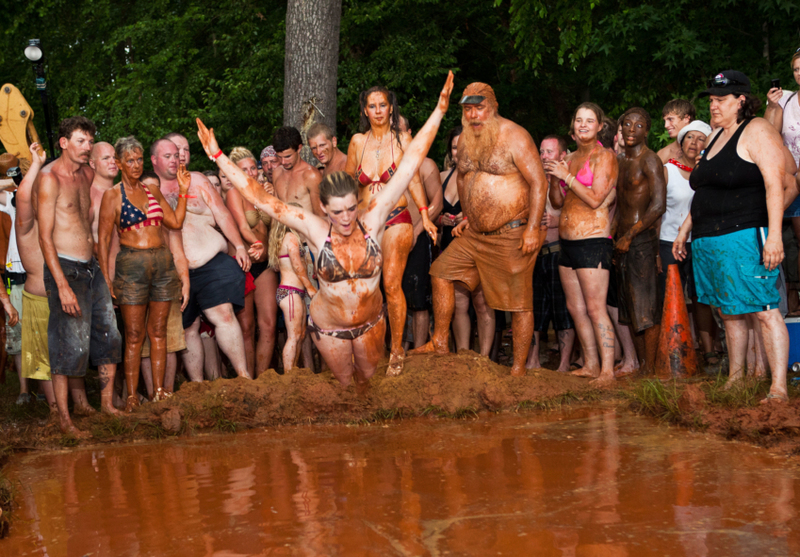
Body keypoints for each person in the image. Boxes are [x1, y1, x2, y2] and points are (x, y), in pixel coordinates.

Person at [198, 71, 454, 386]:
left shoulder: (372, 219)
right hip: (330, 328)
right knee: (346, 386)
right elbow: (262, 199)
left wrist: (440, 111)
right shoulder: (316, 229)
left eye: (350, 209)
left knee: (368, 387)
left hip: (370, 324)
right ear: (324, 209)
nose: (346, 218)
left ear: (358, 205)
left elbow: (413, 158)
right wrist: (218, 156)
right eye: (337, 212)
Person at [411, 82, 548, 377]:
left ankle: (518, 368)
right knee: (441, 273)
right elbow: (463, 178)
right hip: (474, 234)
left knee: (519, 303)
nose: (473, 115)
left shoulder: (515, 135)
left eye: (479, 107)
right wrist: (470, 217)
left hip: (512, 232)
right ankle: (440, 342)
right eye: (467, 109)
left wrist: (533, 228)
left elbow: (539, 182)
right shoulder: (468, 140)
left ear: (493, 106)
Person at [673, 70, 789, 403]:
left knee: (764, 309)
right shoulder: (712, 137)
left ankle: (778, 387)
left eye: (720, 100)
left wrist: (775, 236)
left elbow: (774, 185)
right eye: (710, 100)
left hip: (745, 232)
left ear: (741, 100)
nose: (713, 106)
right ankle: (736, 379)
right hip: (709, 238)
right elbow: (702, 191)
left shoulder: (757, 130)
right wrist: (684, 231)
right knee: (729, 310)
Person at [35, 116, 123, 436]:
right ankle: (64, 421)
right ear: (63, 143)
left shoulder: (87, 174)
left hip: (92, 267)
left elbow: (90, 217)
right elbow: (44, 237)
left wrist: (104, 269)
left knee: (109, 335)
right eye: (81, 141)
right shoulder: (49, 179)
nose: (87, 147)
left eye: (89, 141)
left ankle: (107, 405)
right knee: (69, 345)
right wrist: (61, 286)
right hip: (66, 269)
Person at [345, 86, 437, 375]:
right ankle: (370, 349)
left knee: (391, 284)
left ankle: (397, 350)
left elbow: (413, 181)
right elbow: (347, 184)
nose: (377, 111)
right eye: (372, 106)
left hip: (398, 217)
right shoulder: (357, 142)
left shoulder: (403, 139)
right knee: (363, 289)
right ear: (365, 110)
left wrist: (425, 215)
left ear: (390, 108)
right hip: (365, 222)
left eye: (382, 105)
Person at [98, 137, 189, 410]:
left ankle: (159, 391)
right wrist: (105, 277)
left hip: (161, 262)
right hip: (131, 264)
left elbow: (175, 222)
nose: (136, 165)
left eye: (139, 159)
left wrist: (183, 191)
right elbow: (103, 240)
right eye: (130, 161)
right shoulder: (112, 196)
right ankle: (131, 396)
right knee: (135, 334)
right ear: (119, 164)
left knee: (158, 331)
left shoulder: (152, 190)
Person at [150, 137, 251, 380]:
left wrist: (239, 245)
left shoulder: (197, 180)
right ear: (154, 160)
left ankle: (243, 375)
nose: (177, 157)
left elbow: (222, 213)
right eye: (171, 154)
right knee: (188, 328)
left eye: (181, 152)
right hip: (174, 271)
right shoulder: (149, 190)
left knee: (223, 314)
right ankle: (197, 387)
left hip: (211, 262)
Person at [544, 102, 619, 384]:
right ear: (572, 127)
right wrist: (554, 177)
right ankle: (590, 363)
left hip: (593, 241)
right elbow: (558, 203)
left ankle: (608, 370)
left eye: (590, 120)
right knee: (576, 308)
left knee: (595, 307)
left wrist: (568, 177)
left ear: (600, 126)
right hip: (568, 243)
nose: (583, 124)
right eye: (579, 120)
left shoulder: (605, 157)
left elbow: (596, 198)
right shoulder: (571, 157)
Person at [658, 121, 718, 365]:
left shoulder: (712, 173)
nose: (695, 143)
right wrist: (654, 251)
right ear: (680, 144)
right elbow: (656, 210)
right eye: (689, 138)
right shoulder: (666, 170)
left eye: (701, 138)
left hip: (700, 243)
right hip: (667, 241)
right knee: (670, 297)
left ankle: (709, 351)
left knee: (701, 298)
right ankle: (674, 352)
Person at [614, 108, 667, 375]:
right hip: (621, 242)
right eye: (627, 124)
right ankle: (643, 366)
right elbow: (620, 206)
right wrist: (615, 237)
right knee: (629, 309)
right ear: (620, 128)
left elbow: (658, 206)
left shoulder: (651, 160)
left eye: (638, 125)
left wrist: (630, 234)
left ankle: (652, 368)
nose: (631, 129)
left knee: (646, 307)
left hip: (641, 241)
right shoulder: (621, 161)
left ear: (647, 130)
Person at [437, 125, 495, 355]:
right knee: (458, 305)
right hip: (451, 246)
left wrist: (472, 217)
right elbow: (432, 212)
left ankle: (483, 357)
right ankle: (463, 356)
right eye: (454, 147)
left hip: (479, 245)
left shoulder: (486, 178)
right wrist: (442, 219)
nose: (459, 152)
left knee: (482, 304)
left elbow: (496, 210)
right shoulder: (441, 178)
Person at [526, 135, 576, 372]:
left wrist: (559, 219)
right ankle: (532, 360)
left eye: (550, 152)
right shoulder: (532, 180)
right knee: (534, 310)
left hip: (559, 252)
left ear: (562, 155)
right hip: (534, 254)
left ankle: (564, 364)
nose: (544, 156)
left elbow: (587, 211)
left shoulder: (570, 179)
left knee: (562, 309)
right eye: (542, 152)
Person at [398, 115, 443, 348]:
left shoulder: (426, 165)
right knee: (391, 297)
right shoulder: (384, 166)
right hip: (391, 239)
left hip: (418, 238)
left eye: (400, 130)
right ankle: (397, 349)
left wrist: (416, 232)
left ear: (410, 133)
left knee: (418, 299)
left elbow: (437, 203)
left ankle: (419, 354)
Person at [227, 146, 271, 376]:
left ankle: (263, 377)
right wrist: (259, 244)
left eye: (253, 167)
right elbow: (243, 228)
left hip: (265, 262)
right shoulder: (234, 193)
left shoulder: (264, 190)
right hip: (245, 263)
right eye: (244, 169)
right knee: (247, 327)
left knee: (269, 324)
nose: (251, 172)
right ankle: (248, 378)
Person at [267, 206, 317, 371]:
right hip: (290, 292)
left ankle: (293, 372)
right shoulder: (290, 237)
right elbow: (297, 265)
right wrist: (310, 287)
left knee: (300, 335)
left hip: (293, 293)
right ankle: (289, 377)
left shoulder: (288, 237)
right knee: (294, 336)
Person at [657, 99, 696, 163]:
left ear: (686, 118)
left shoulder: (704, 147)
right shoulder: (663, 154)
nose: (666, 125)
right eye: (665, 121)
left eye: (670, 119)